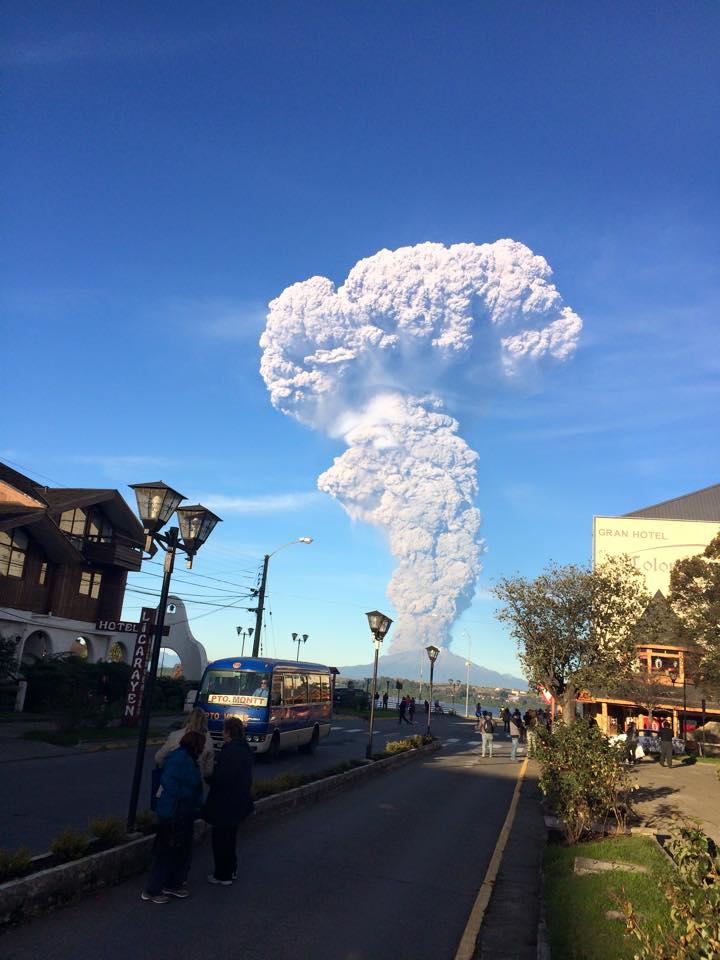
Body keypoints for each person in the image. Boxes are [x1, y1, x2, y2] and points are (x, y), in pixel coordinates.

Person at [142, 730, 204, 903]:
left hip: (180, 811)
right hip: (174, 812)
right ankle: (154, 889)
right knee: (167, 850)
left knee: (179, 850)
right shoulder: (181, 760)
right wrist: (187, 794)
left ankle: (171, 884)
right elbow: (169, 780)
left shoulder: (185, 758)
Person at [203, 717, 254, 885]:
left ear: (229, 732)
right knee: (230, 838)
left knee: (220, 839)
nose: (223, 734)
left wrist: (208, 777)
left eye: (224, 731)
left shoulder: (230, 752)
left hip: (225, 802)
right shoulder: (244, 749)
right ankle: (231, 870)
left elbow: (221, 778)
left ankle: (222, 874)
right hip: (239, 800)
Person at [155, 708, 215, 781]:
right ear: (205, 721)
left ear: (188, 719)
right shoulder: (208, 741)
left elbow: (158, 758)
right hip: (195, 784)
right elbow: (208, 771)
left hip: (172, 781)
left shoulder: (175, 735)